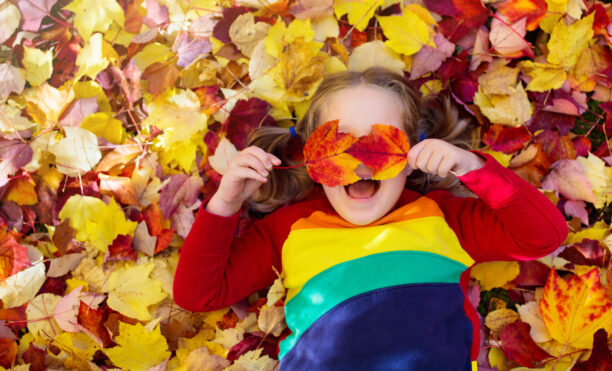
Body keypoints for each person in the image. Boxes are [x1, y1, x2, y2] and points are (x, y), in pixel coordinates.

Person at [173, 67, 568, 370]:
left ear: (412, 153)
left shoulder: (444, 219)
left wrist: (473, 168)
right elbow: (197, 295)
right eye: (339, 141)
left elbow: (543, 237)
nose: (360, 161)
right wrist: (224, 204)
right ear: (313, 155)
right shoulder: (289, 228)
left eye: (382, 142)